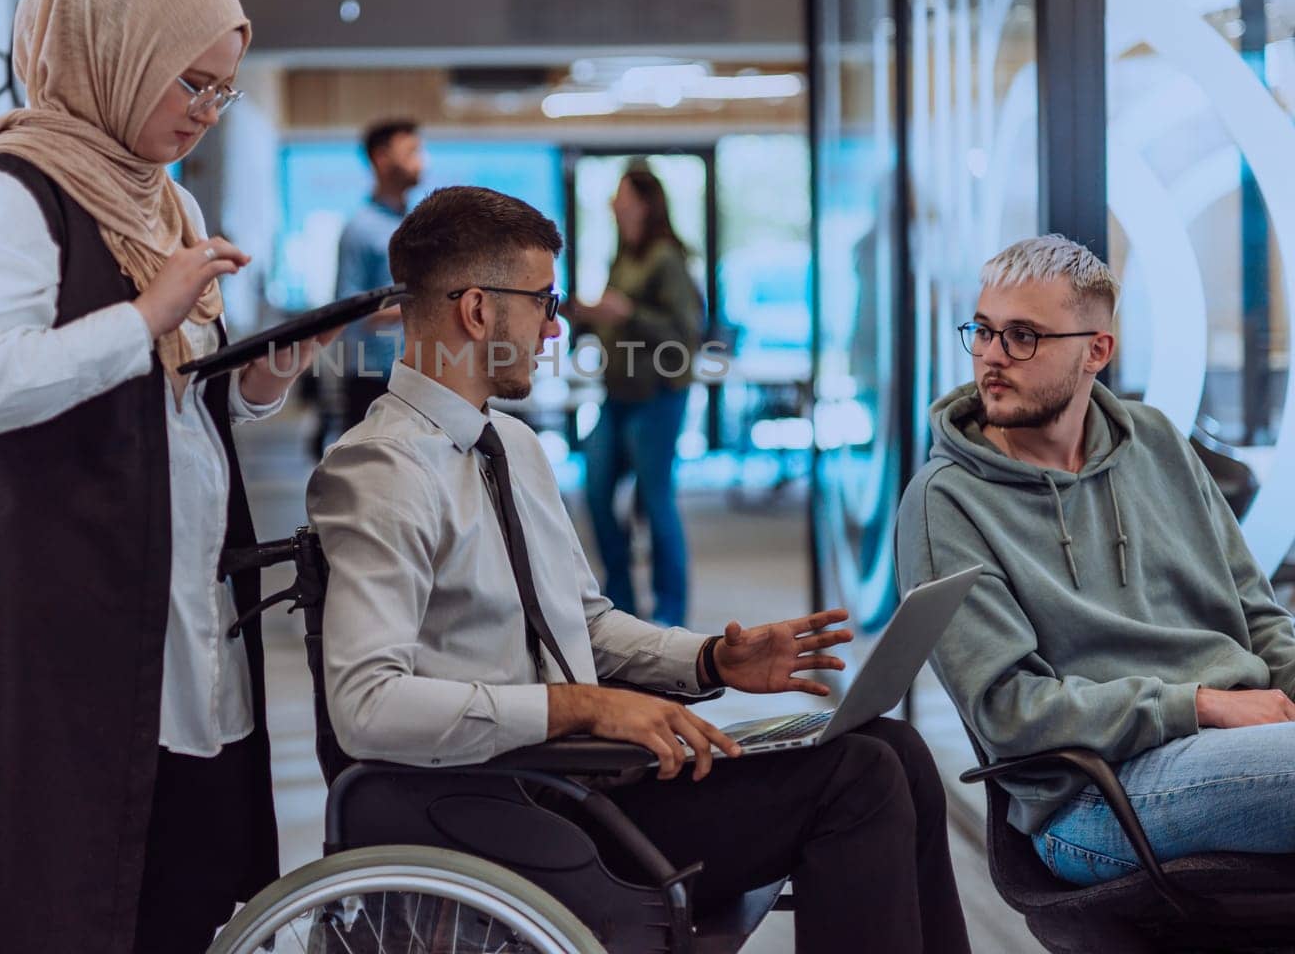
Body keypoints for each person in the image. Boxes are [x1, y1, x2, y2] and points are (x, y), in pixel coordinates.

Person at [307, 186, 971, 953]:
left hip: (586, 784)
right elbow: (366, 705)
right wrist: (581, 708)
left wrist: (709, 659)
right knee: (859, 779)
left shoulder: (514, 446)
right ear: (477, 310)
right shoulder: (380, 471)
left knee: (896, 749)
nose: (556, 326)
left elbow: (582, 620)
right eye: (543, 301)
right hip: (506, 805)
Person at [0, 0, 327, 954]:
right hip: (57, 605)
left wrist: (263, 377)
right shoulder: (1, 193)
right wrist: (148, 315)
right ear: (108, 55)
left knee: (172, 881)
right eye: (189, 84)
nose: (207, 112)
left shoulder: (160, 197)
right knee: (63, 892)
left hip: (170, 588)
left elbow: (169, 397)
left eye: (224, 89)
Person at [897, 234, 1295, 887]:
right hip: (1095, 793)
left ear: (1097, 351)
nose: (992, 358)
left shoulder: (1158, 442)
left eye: (1023, 336)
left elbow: (1259, 617)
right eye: (985, 331)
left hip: (1235, 740)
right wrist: (1196, 705)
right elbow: (1006, 710)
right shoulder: (947, 502)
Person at [567, 163, 702, 625]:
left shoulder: (666, 258)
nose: (613, 205)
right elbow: (615, 314)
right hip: (617, 395)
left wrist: (627, 313)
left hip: (657, 397)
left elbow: (685, 331)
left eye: (621, 196)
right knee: (597, 491)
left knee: (656, 499)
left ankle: (670, 608)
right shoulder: (623, 254)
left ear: (644, 204)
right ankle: (619, 602)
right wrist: (588, 312)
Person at [327, 118, 425, 443]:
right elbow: (348, 310)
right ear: (382, 158)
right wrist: (422, 302)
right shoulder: (360, 229)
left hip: (418, 378)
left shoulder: (416, 224)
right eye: (410, 151)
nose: (421, 161)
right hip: (373, 381)